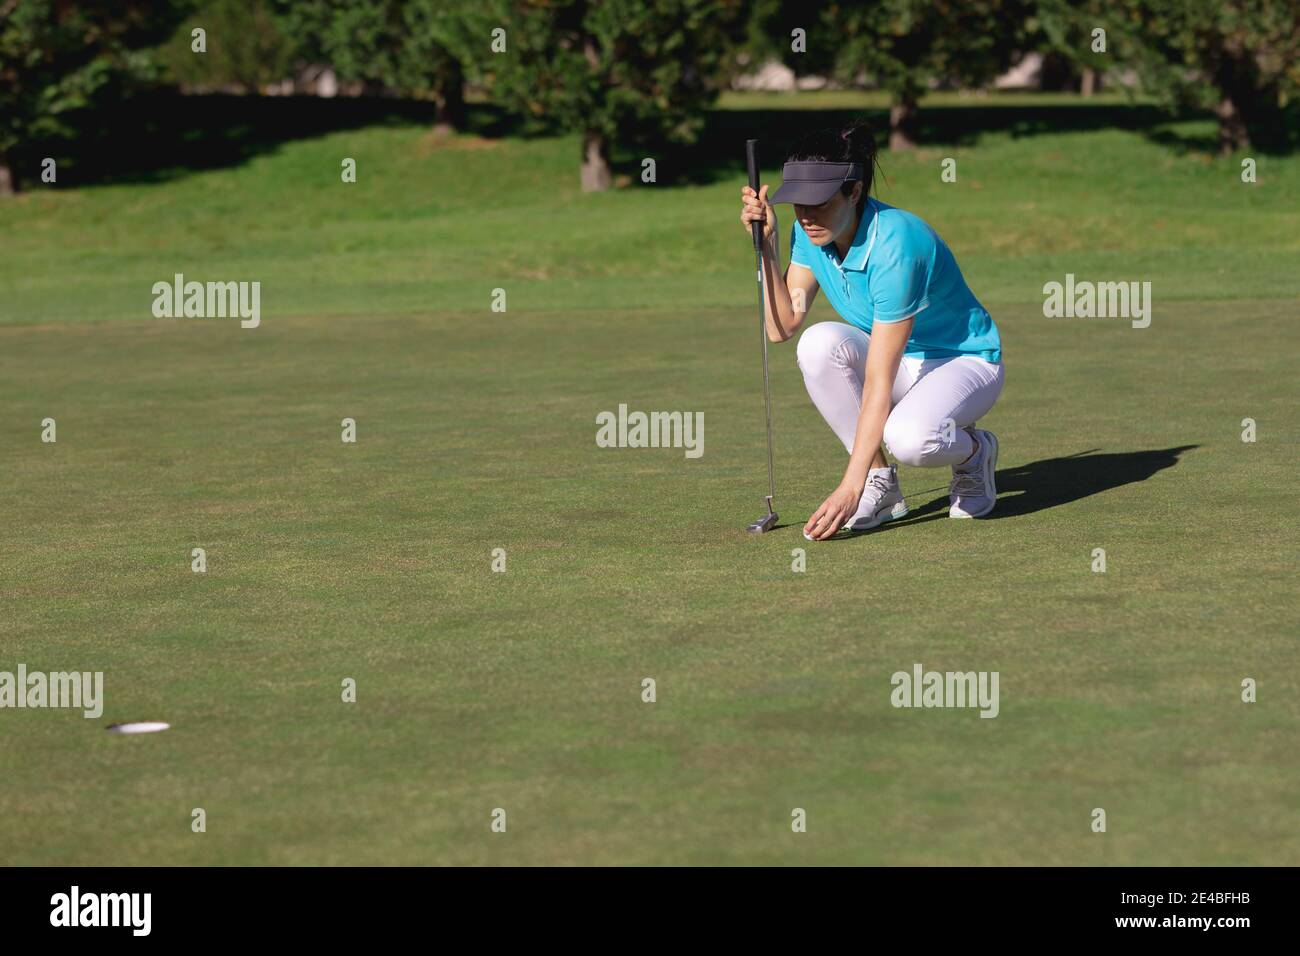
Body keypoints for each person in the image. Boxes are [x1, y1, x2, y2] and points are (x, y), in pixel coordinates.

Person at [739, 120, 1005, 541]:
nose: (807, 216)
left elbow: (879, 383)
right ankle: (882, 486)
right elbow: (782, 326)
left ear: (855, 191)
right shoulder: (809, 231)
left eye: (819, 202)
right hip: (903, 364)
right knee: (817, 343)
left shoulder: (899, 245)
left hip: (963, 361)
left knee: (911, 439)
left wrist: (849, 485)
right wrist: (767, 246)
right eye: (798, 205)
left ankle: (974, 452)